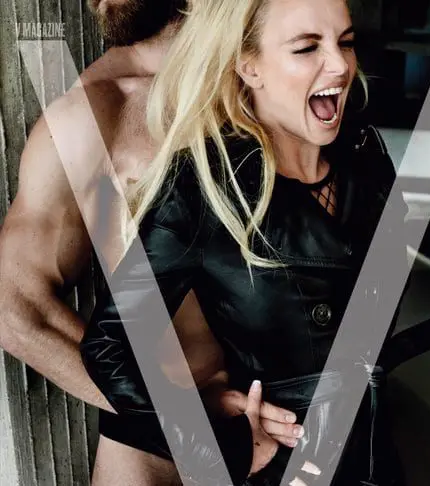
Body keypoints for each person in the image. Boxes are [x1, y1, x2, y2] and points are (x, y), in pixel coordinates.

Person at [78, 0, 430, 484]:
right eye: (306, 48)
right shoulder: (202, 186)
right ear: (249, 65)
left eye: (345, 42)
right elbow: (108, 347)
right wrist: (218, 447)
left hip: (371, 455)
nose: (340, 65)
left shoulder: (364, 154)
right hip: (284, 467)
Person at [0, 1, 300, 485]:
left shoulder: (282, 75)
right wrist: (180, 416)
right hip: (161, 461)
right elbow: (15, 305)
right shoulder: (96, 113)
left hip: (298, 426)